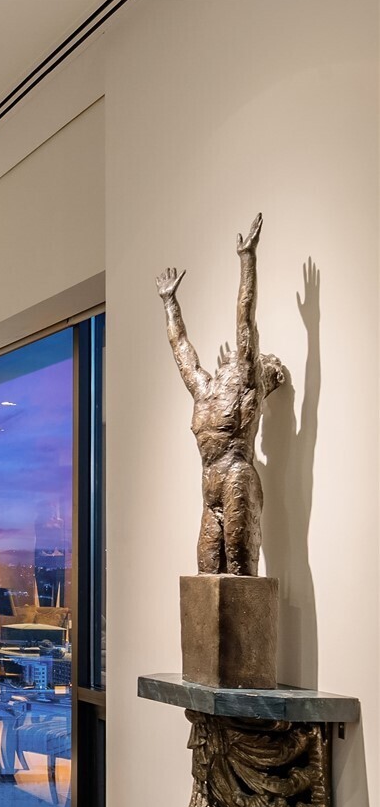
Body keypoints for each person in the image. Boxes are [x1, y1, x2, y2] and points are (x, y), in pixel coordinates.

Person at [157, 213, 288, 576]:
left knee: (241, 577)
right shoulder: (205, 387)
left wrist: (248, 259)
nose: (236, 351)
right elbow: (180, 347)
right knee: (204, 578)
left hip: (235, 479)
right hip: (209, 486)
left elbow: (245, 316)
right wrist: (170, 303)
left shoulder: (246, 375)